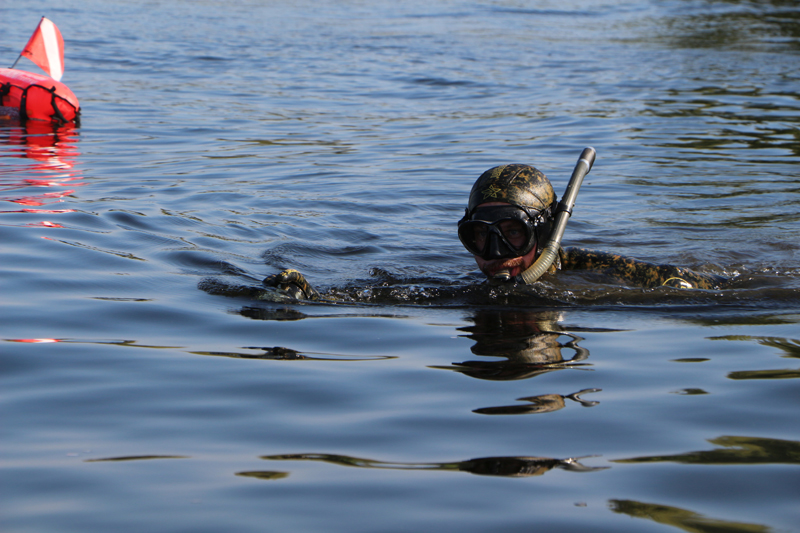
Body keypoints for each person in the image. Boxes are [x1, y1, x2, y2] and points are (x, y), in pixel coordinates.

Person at [264, 163, 723, 299]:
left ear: (542, 234)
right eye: (479, 237)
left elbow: (693, 287)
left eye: (511, 234)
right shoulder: (469, 291)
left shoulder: (600, 272)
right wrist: (306, 293)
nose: (495, 252)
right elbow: (373, 298)